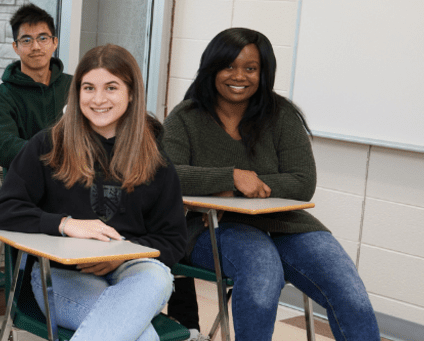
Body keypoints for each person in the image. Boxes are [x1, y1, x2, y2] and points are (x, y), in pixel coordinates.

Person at [161, 27, 379, 341]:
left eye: (251, 68)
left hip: (286, 224)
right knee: (262, 272)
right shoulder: (186, 117)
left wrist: (240, 186)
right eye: (229, 67)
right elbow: (169, 176)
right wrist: (232, 176)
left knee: (350, 294)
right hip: (212, 228)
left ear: (263, 73)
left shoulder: (282, 115)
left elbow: (302, 182)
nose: (239, 76)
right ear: (212, 68)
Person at [0, 44, 186, 341]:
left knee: (158, 276)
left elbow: (172, 240)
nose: (98, 99)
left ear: (131, 93)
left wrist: (119, 255)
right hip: (60, 277)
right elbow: (4, 211)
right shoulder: (48, 145)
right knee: (143, 337)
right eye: (88, 88)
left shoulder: (154, 157)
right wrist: (66, 224)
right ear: (76, 92)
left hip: (132, 272)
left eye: (111, 87)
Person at [0, 4, 72, 171]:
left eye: (43, 38)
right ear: (15, 47)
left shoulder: (74, 87)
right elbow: (2, 147)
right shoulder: (0, 99)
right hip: (24, 190)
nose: (36, 47)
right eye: (26, 40)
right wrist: (56, 153)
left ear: (55, 42)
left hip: (72, 185)